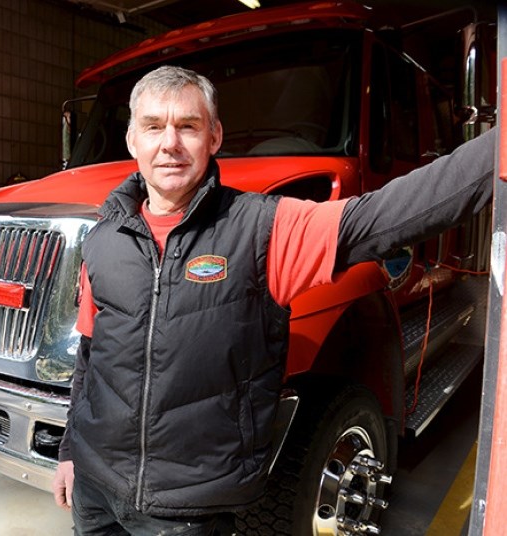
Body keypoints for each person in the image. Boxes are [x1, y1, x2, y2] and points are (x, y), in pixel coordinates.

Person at [51, 65, 495, 535]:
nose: (170, 144)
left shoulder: (262, 230)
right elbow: (91, 355)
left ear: (215, 136)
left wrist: (498, 146)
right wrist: (69, 452)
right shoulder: (105, 237)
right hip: (95, 493)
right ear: (132, 140)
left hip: (184, 510)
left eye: (188, 126)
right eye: (154, 126)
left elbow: (385, 217)